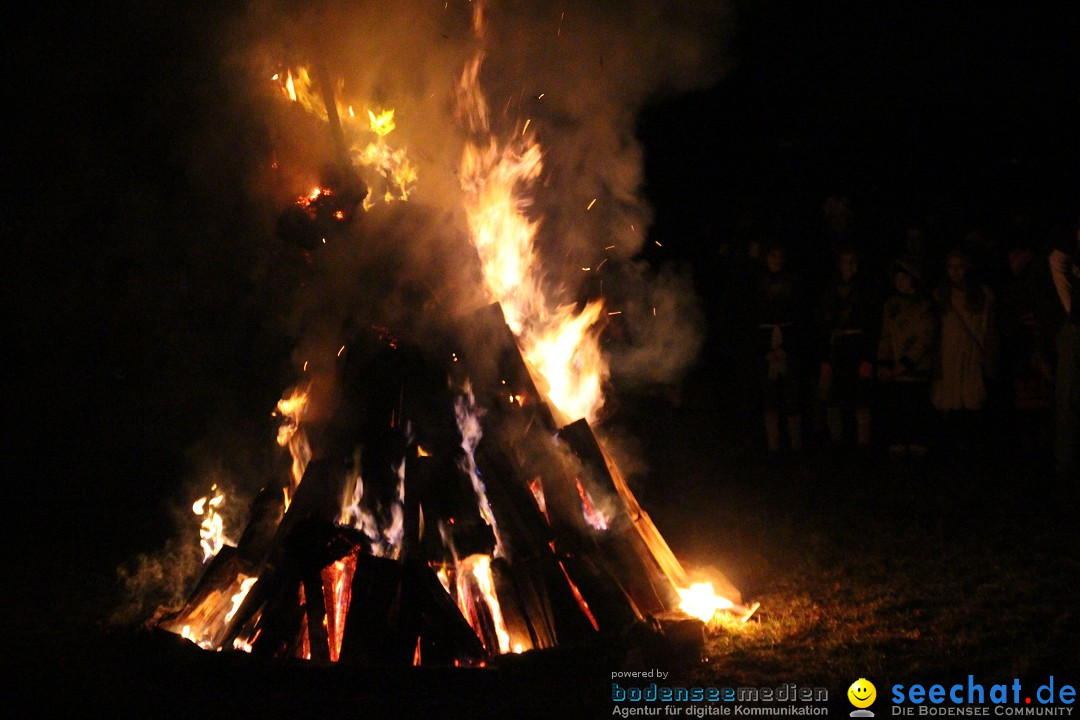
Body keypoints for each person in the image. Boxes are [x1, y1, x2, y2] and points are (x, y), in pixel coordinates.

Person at [816, 247, 879, 448]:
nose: (849, 265)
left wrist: (868, 358)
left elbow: (872, 325)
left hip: (858, 347)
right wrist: (824, 358)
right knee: (835, 398)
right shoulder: (830, 290)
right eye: (845, 260)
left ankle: (862, 445)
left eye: (853, 261)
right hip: (837, 348)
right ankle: (838, 444)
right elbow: (823, 324)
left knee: (861, 398)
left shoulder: (866, 289)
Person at [877, 258, 936, 455]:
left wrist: (905, 363)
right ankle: (898, 442)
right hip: (894, 369)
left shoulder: (924, 306)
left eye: (905, 277)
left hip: (916, 369)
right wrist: (884, 362)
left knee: (916, 407)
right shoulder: (891, 304)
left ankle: (918, 443)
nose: (900, 282)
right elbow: (885, 335)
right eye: (897, 278)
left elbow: (924, 339)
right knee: (897, 408)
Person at [754, 242, 804, 453]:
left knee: (792, 397)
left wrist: (788, 347)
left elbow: (800, 316)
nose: (776, 260)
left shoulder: (792, 282)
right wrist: (766, 349)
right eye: (772, 255)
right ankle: (773, 447)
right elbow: (752, 319)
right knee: (770, 399)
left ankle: (796, 446)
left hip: (788, 343)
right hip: (766, 344)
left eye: (780, 256)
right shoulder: (757, 283)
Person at [1049, 221, 1080, 481]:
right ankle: (1065, 461)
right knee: (1067, 395)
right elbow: (1056, 260)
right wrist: (1070, 306)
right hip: (1075, 327)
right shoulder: (1072, 236)